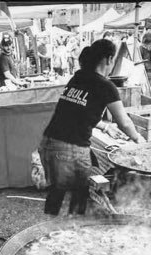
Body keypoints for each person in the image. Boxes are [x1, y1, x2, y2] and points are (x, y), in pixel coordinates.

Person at [38, 39, 145, 216]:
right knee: (80, 195)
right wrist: (139, 140)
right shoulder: (106, 85)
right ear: (109, 59)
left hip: (49, 143)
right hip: (69, 148)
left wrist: (104, 126)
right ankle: (73, 231)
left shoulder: (78, 76)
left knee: (57, 192)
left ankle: (51, 232)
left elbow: (78, 111)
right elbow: (124, 122)